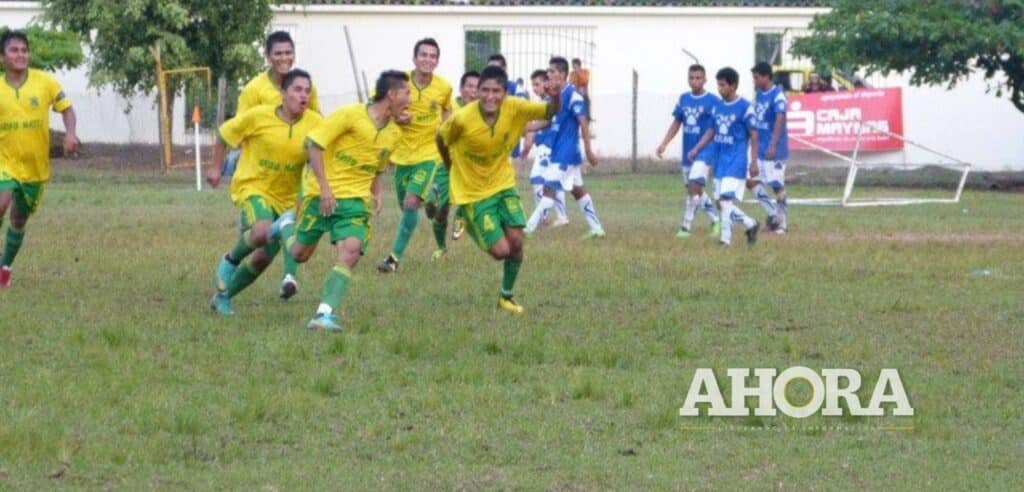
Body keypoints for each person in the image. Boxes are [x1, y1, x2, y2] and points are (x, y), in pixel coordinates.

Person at [280, 71, 409, 331]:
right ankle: (285, 225)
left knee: (350, 251)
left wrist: (377, 193)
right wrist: (325, 189)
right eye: (407, 94)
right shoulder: (350, 115)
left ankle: (323, 314)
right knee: (299, 254)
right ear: (391, 95)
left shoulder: (395, 133)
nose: (410, 100)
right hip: (321, 194)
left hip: (356, 202)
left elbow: (378, 166)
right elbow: (314, 145)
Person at [436, 65, 560, 314]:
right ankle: (468, 219)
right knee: (501, 252)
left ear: (505, 93)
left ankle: (506, 296)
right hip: (473, 194)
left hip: (503, 185)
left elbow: (550, 110)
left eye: (496, 91)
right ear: (477, 92)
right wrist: (451, 166)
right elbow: (441, 138)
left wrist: (555, 94)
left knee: (517, 241)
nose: (490, 97)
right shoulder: (462, 119)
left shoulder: (515, 107)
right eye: (485, 90)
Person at [205, 69, 322, 315]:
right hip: (253, 186)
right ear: (282, 94)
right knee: (260, 231)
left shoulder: (315, 123)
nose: (303, 96)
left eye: (307, 91)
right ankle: (229, 261)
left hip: (288, 197)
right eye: (297, 90)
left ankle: (223, 297)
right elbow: (224, 134)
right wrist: (216, 167)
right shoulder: (258, 116)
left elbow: (333, 145)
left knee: (262, 259)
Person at [230, 30, 323, 299]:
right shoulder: (254, 90)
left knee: (281, 233)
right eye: (278, 53)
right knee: (260, 236)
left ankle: (288, 277)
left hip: (292, 174)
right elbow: (241, 128)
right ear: (268, 56)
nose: (284, 58)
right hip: (259, 175)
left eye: (288, 52)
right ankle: (230, 266)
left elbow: (317, 123)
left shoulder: (305, 85)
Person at [0, 30, 80, 288]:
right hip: (4, 163)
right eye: (14, 50)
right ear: (3, 57)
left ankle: (5, 268)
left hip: (35, 168)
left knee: (18, 220)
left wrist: (70, 134)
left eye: (24, 50)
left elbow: (66, 109)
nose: (21, 55)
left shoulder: (45, 82)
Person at [377, 38, 452, 273]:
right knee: (406, 207)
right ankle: (431, 197)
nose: (428, 60)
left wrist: (446, 131)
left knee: (411, 202)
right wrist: (396, 117)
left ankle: (393, 259)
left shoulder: (443, 87)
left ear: (437, 61)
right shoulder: (399, 84)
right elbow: (377, 105)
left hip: (429, 155)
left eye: (432, 56)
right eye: (424, 55)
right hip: (401, 156)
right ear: (414, 59)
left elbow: (448, 109)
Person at [524, 56, 604, 239]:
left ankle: (528, 228)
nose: (549, 75)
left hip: (567, 153)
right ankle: (597, 228)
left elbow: (583, 124)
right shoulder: (556, 96)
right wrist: (526, 128)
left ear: (562, 74)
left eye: (552, 72)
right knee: (578, 190)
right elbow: (549, 120)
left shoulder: (574, 96)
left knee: (549, 188)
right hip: (559, 151)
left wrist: (589, 150)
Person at [689, 67, 760, 247]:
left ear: (733, 85)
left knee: (726, 199)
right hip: (720, 161)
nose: (719, 89)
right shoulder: (718, 107)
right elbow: (711, 130)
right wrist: (697, 148)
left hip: (736, 161)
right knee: (722, 203)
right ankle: (750, 223)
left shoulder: (745, 107)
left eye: (722, 85)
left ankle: (725, 240)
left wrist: (753, 161)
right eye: (718, 85)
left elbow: (754, 134)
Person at [655, 63, 721, 238]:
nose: (695, 81)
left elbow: (717, 127)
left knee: (694, 188)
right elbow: (677, 123)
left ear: (705, 79)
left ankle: (685, 227)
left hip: (705, 152)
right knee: (694, 191)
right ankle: (715, 219)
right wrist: (664, 143)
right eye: (691, 78)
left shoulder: (713, 101)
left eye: (698, 78)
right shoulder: (684, 99)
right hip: (687, 152)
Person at [424, 70, 479, 253]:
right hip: (446, 164)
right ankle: (441, 248)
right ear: (462, 89)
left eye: (477, 87)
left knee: (467, 201)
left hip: (468, 167)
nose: (473, 91)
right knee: (439, 211)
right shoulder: (450, 108)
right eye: (469, 86)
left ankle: (461, 216)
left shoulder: (482, 111)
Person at [521, 69, 568, 228]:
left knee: (536, 178)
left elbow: (547, 123)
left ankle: (543, 217)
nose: (534, 88)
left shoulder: (550, 102)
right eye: (533, 85)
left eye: (537, 84)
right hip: (550, 147)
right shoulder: (544, 102)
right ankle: (561, 217)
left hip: (549, 147)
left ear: (546, 83)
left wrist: (526, 129)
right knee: (553, 182)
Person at [751, 62, 789, 234]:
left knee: (776, 186)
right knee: (750, 181)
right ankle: (773, 215)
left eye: (757, 77)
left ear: (766, 77)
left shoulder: (778, 95)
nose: (754, 80)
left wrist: (773, 144)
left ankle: (782, 224)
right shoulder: (759, 95)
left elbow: (779, 118)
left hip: (775, 150)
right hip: (759, 149)